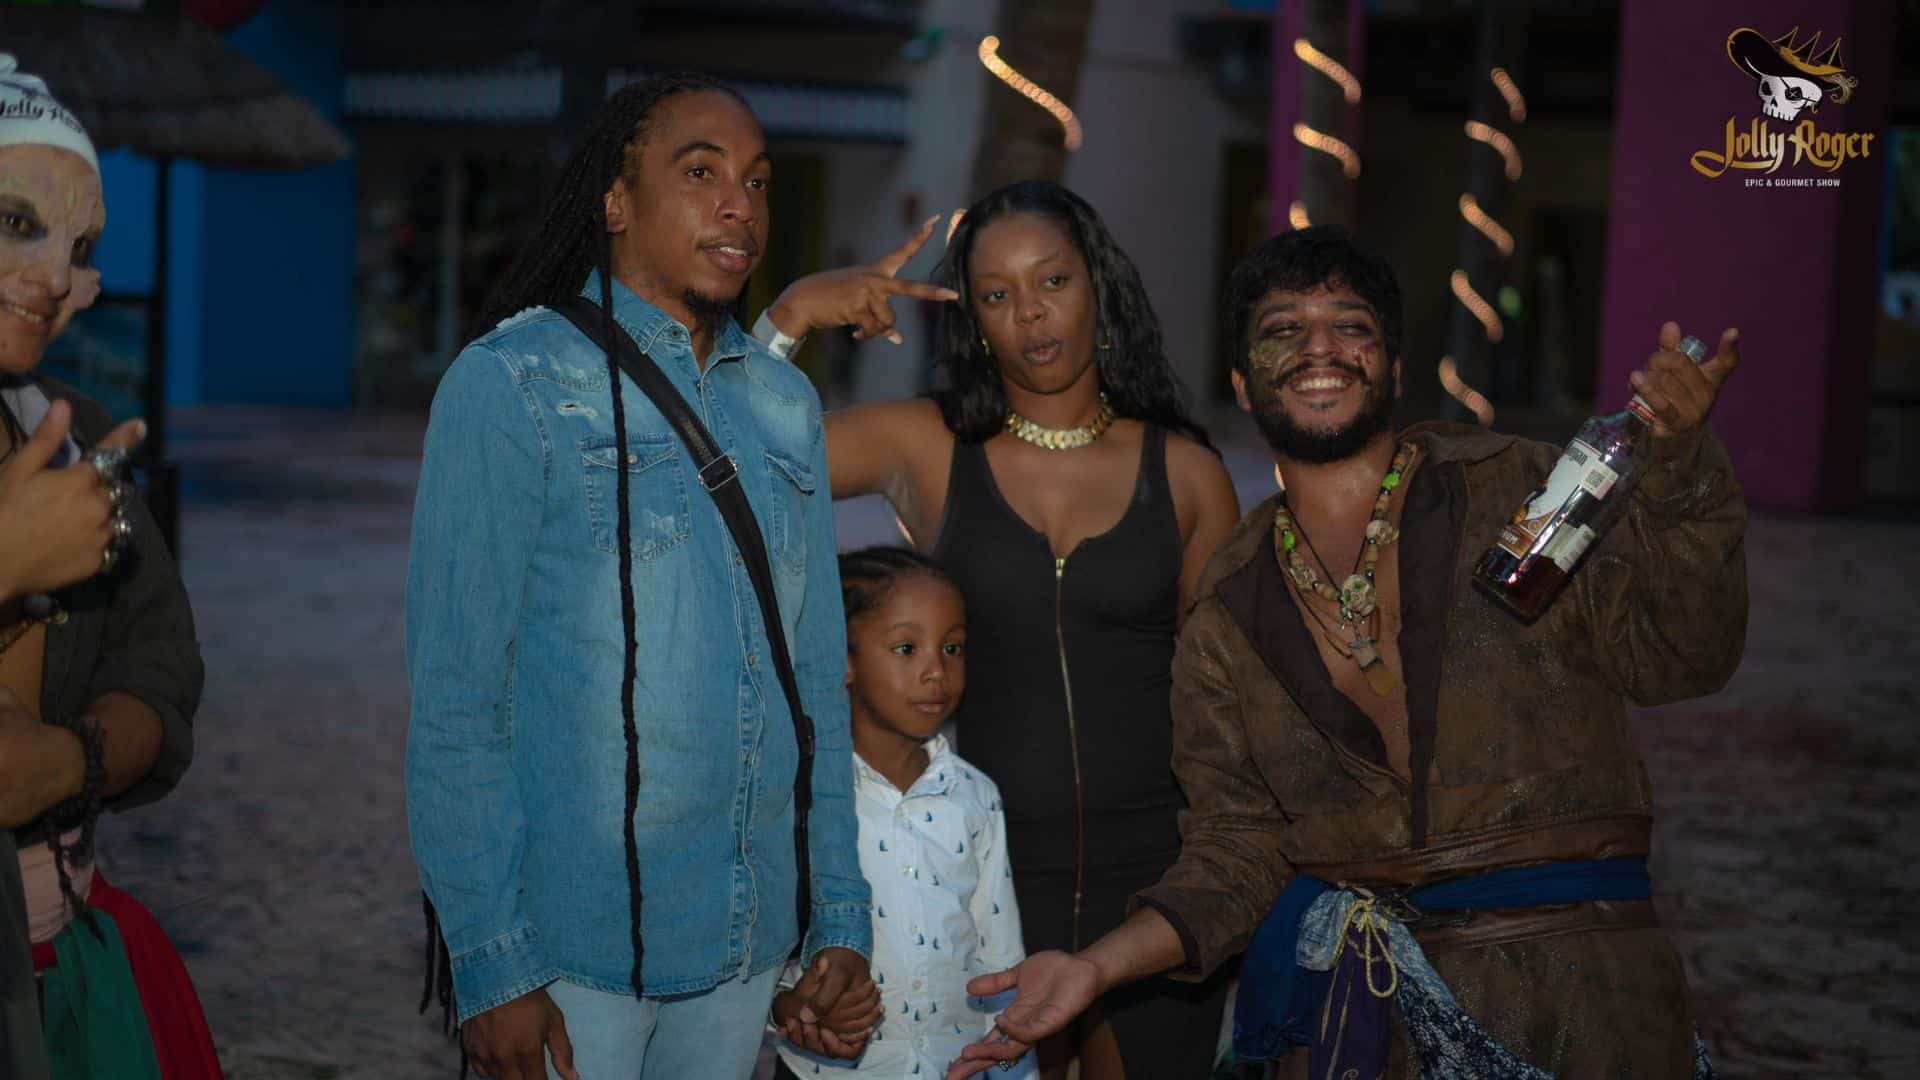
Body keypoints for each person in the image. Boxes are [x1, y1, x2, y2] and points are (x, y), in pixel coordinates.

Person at [947, 225, 1746, 1079]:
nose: (1319, 346)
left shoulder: (1520, 489)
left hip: (1587, 1000)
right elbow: (1236, 851)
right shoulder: (1227, 609)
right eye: (1283, 330)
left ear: (1394, 366)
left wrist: (1680, 470)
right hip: (1366, 1031)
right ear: (1244, 387)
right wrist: (1095, 966)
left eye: (1350, 324)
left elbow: (1680, 659)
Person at [405, 72, 876, 1080]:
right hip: (573, 956)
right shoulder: (510, 385)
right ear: (615, 202)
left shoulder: (787, 403)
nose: (738, 204)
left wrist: (838, 914)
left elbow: (819, 692)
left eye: (755, 181)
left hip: (745, 945)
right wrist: (491, 966)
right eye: (700, 172)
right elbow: (457, 707)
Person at [759, 180, 1243, 1079]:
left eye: (1053, 281)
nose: (1030, 314)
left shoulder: (1186, 473)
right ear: (973, 320)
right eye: (996, 295)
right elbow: (730, 465)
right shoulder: (925, 445)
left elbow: (1227, 699)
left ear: (1097, 286)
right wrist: (790, 318)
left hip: (1155, 877)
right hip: (972, 881)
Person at [0, 54, 217, 1079]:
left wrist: (68, 763)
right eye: (16, 222)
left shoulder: (72, 442)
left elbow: (164, 680)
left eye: (79, 246)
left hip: (63, 966)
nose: (54, 278)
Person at [770, 547, 1036, 1080]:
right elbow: (764, 947)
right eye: (907, 648)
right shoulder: (798, 797)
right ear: (843, 661)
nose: (936, 670)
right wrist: (788, 1007)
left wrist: (1014, 1066)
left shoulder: (976, 797)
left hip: (952, 1067)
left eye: (952, 647)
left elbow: (999, 954)